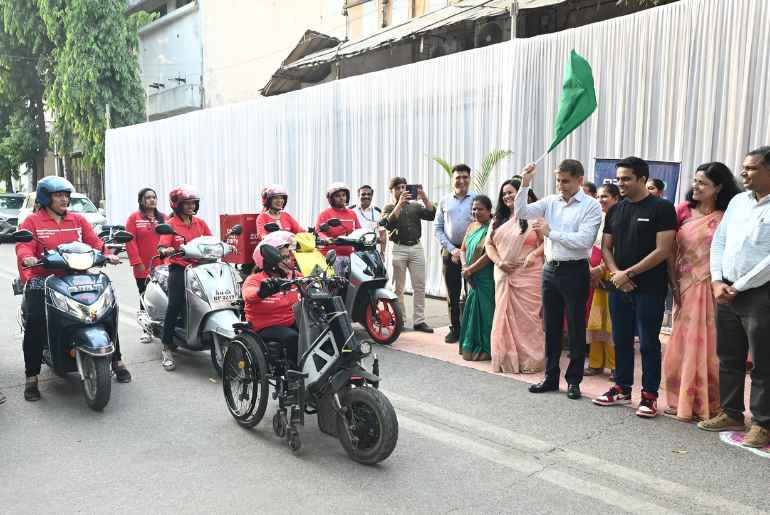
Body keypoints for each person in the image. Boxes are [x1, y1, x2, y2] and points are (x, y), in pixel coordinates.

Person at [16, 177, 126, 400]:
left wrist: (108, 255)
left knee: (105, 310)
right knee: (35, 320)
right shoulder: (33, 222)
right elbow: (24, 247)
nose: (64, 199)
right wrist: (27, 258)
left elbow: (95, 243)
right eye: (58, 195)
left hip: (78, 276)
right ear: (46, 198)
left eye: (66, 195)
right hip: (43, 278)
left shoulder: (78, 220)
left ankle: (116, 360)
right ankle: (32, 377)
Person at [593, 157, 677, 418]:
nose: (621, 184)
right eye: (618, 179)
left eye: (627, 179)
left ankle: (650, 396)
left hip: (650, 288)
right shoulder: (617, 209)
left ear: (642, 179)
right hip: (619, 286)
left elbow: (663, 250)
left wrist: (628, 273)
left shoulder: (662, 208)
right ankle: (621, 388)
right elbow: (607, 246)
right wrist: (617, 274)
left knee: (649, 343)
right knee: (621, 339)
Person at [698, 146, 770, 449]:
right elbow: (720, 242)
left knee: (764, 362)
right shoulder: (739, 201)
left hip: (759, 294)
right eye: (744, 167)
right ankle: (731, 412)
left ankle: (764, 424)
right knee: (729, 356)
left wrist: (737, 286)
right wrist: (717, 281)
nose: (744, 173)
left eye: (751, 168)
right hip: (725, 290)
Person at [515, 160, 602, 399]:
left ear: (579, 180)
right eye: (558, 180)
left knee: (575, 327)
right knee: (550, 327)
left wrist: (550, 233)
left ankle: (573, 380)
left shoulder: (591, 206)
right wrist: (524, 184)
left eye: (566, 181)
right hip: (550, 270)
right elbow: (521, 212)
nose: (561, 186)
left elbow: (584, 241)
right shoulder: (551, 201)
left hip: (575, 271)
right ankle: (551, 377)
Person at [662, 162, 739, 423]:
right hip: (685, 285)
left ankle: (710, 402)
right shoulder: (681, 211)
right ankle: (679, 399)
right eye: (695, 181)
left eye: (703, 183)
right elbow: (669, 252)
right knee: (682, 344)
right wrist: (673, 286)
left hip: (714, 287)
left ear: (718, 187)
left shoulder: (729, 214)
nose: (696, 186)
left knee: (712, 347)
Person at [486, 178, 545, 373]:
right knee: (504, 316)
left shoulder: (536, 217)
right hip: (503, 272)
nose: (507, 197)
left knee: (528, 318)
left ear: (524, 194)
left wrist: (533, 255)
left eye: (511, 192)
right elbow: (489, 245)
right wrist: (500, 262)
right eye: (504, 194)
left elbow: (548, 242)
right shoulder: (497, 220)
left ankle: (530, 360)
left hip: (528, 272)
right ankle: (507, 358)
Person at [157, 185, 212, 372]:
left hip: (201, 267)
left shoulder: (200, 223)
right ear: (177, 205)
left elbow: (211, 241)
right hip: (180, 268)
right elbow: (163, 244)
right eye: (186, 203)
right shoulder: (170, 224)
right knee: (175, 303)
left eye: (193, 203)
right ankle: (166, 345)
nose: (190, 206)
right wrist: (166, 249)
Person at [381, 177, 436, 333]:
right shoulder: (388, 207)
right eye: (398, 188)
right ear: (391, 190)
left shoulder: (415, 206)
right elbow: (388, 224)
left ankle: (419, 321)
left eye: (404, 187)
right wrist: (399, 205)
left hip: (416, 247)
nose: (402, 190)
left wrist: (424, 198)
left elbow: (432, 215)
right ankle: (401, 320)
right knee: (398, 287)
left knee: (419, 286)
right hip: (398, 248)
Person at [242, 231, 300, 364]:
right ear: (271, 261)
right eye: (284, 258)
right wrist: (262, 292)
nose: (290, 260)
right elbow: (248, 294)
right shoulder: (256, 279)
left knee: (320, 330)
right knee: (293, 337)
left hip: (291, 322)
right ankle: (294, 375)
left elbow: (311, 283)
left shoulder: (293, 276)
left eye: (289, 256)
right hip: (264, 326)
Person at [434, 164, 476, 343]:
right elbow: (438, 228)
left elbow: (485, 224)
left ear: (469, 178)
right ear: (452, 180)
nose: (461, 180)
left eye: (465, 177)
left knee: (472, 292)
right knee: (452, 292)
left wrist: (466, 250)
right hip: (450, 252)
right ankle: (455, 328)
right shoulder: (444, 201)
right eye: (458, 177)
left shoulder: (477, 199)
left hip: (473, 252)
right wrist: (452, 249)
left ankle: (470, 330)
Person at [585, 183, 621, 378]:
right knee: (596, 320)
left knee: (613, 322)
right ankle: (596, 363)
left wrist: (601, 269)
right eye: (598, 197)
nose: (601, 200)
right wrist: (591, 271)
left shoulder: (621, 219)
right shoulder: (596, 220)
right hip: (594, 276)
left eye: (605, 196)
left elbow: (617, 250)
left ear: (616, 198)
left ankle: (615, 366)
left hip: (613, 274)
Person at [125, 187, 165, 344]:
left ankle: (163, 329)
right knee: (144, 297)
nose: (152, 200)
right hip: (143, 267)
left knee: (162, 299)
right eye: (148, 197)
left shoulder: (163, 218)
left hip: (163, 266)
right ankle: (146, 330)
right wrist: (137, 262)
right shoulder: (134, 218)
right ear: (141, 200)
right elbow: (130, 241)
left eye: (154, 197)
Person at [458, 195, 495, 361]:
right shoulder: (472, 226)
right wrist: (465, 266)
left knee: (486, 312)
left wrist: (470, 269)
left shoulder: (493, 228)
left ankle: (487, 348)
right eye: (474, 209)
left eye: (480, 209)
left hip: (485, 277)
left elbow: (489, 255)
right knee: (472, 310)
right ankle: (471, 345)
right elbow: (463, 249)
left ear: (489, 211)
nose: (476, 212)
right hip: (470, 275)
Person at [315, 182, 361, 276]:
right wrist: (326, 239)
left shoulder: (352, 213)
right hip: (332, 258)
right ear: (331, 198)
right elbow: (319, 232)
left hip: (351, 256)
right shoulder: (325, 214)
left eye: (344, 195)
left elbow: (359, 230)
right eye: (337, 196)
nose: (341, 198)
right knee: (335, 287)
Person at [350, 185, 386, 254]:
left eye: (369, 194)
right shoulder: (351, 211)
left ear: (372, 196)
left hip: (371, 249)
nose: (366, 196)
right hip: (354, 249)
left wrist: (382, 252)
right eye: (363, 194)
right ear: (358, 195)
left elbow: (383, 234)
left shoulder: (378, 213)